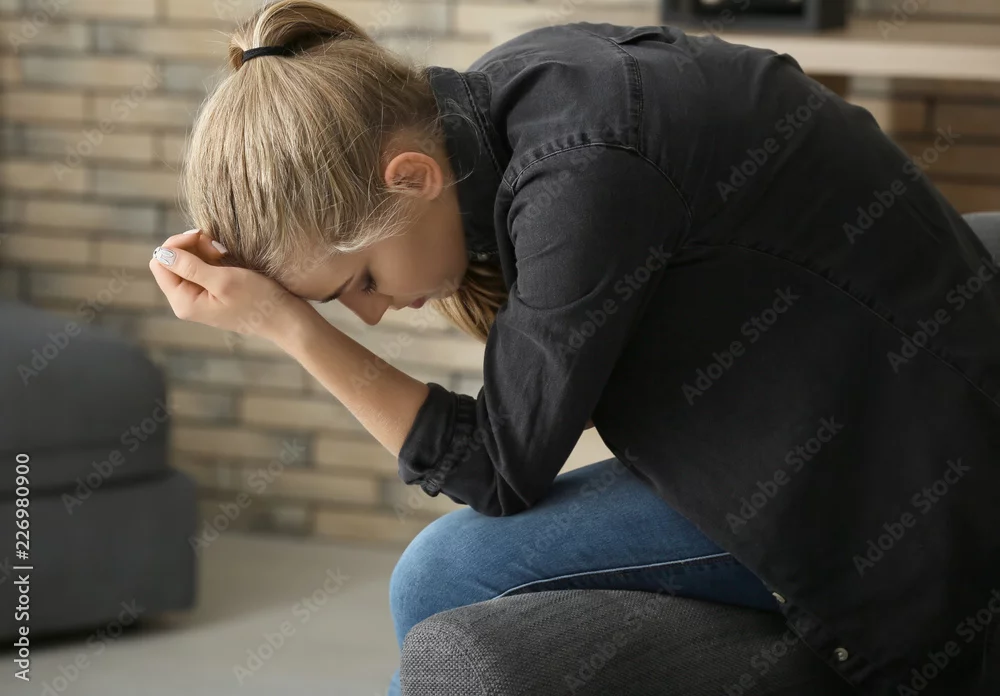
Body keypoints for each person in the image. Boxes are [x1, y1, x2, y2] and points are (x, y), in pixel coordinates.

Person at [148, 1, 1000, 694]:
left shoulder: (584, 172)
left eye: (357, 282)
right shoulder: (526, 89)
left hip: (906, 468)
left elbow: (497, 469)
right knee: (442, 570)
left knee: (442, 571)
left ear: (410, 178)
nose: (369, 315)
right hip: (839, 405)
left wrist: (290, 327)